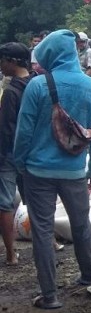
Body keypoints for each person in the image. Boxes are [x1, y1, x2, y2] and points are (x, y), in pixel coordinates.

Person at [14, 30, 91, 309]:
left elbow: (24, 132)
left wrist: (19, 163)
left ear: (50, 55)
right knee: (81, 224)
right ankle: (89, 275)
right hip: (76, 172)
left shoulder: (38, 85)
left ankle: (50, 295)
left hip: (38, 172)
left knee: (42, 230)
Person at [0, 43, 34, 266]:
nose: (1, 65)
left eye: (2, 60)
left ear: (12, 61)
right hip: (33, 153)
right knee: (34, 199)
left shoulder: (11, 92)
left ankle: (11, 254)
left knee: (5, 203)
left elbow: (6, 129)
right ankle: (50, 242)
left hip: (9, 154)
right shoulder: (37, 84)